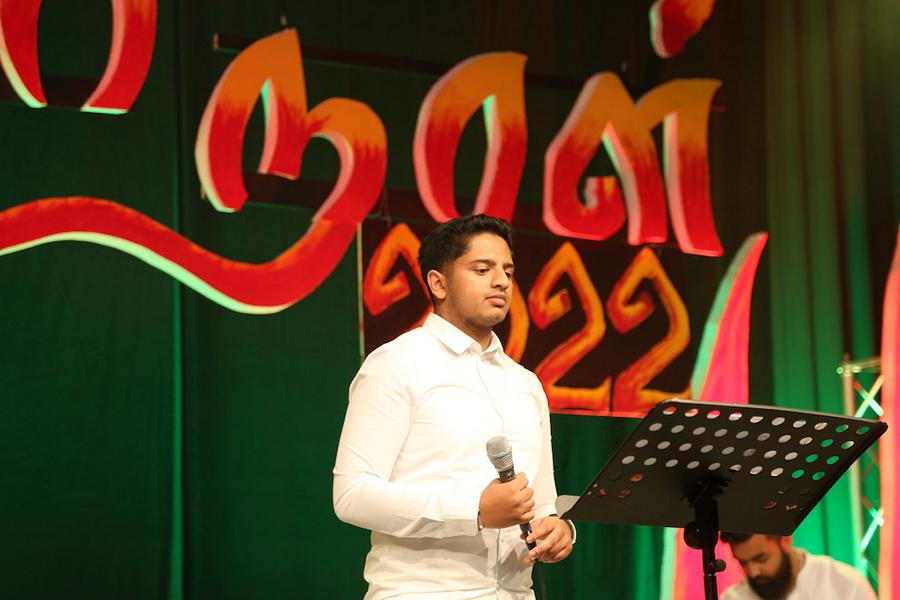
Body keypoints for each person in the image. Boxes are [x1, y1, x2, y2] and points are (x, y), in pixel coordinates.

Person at [333, 215, 574, 599]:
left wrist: (558, 530)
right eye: (482, 269)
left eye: (508, 270)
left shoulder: (525, 384)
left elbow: (542, 502)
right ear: (438, 283)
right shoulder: (396, 365)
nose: (501, 281)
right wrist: (473, 510)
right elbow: (353, 495)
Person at [719, 532, 877, 600]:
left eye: (762, 559)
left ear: (785, 541)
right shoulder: (733, 598)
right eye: (743, 562)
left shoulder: (845, 583)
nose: (753, 572)